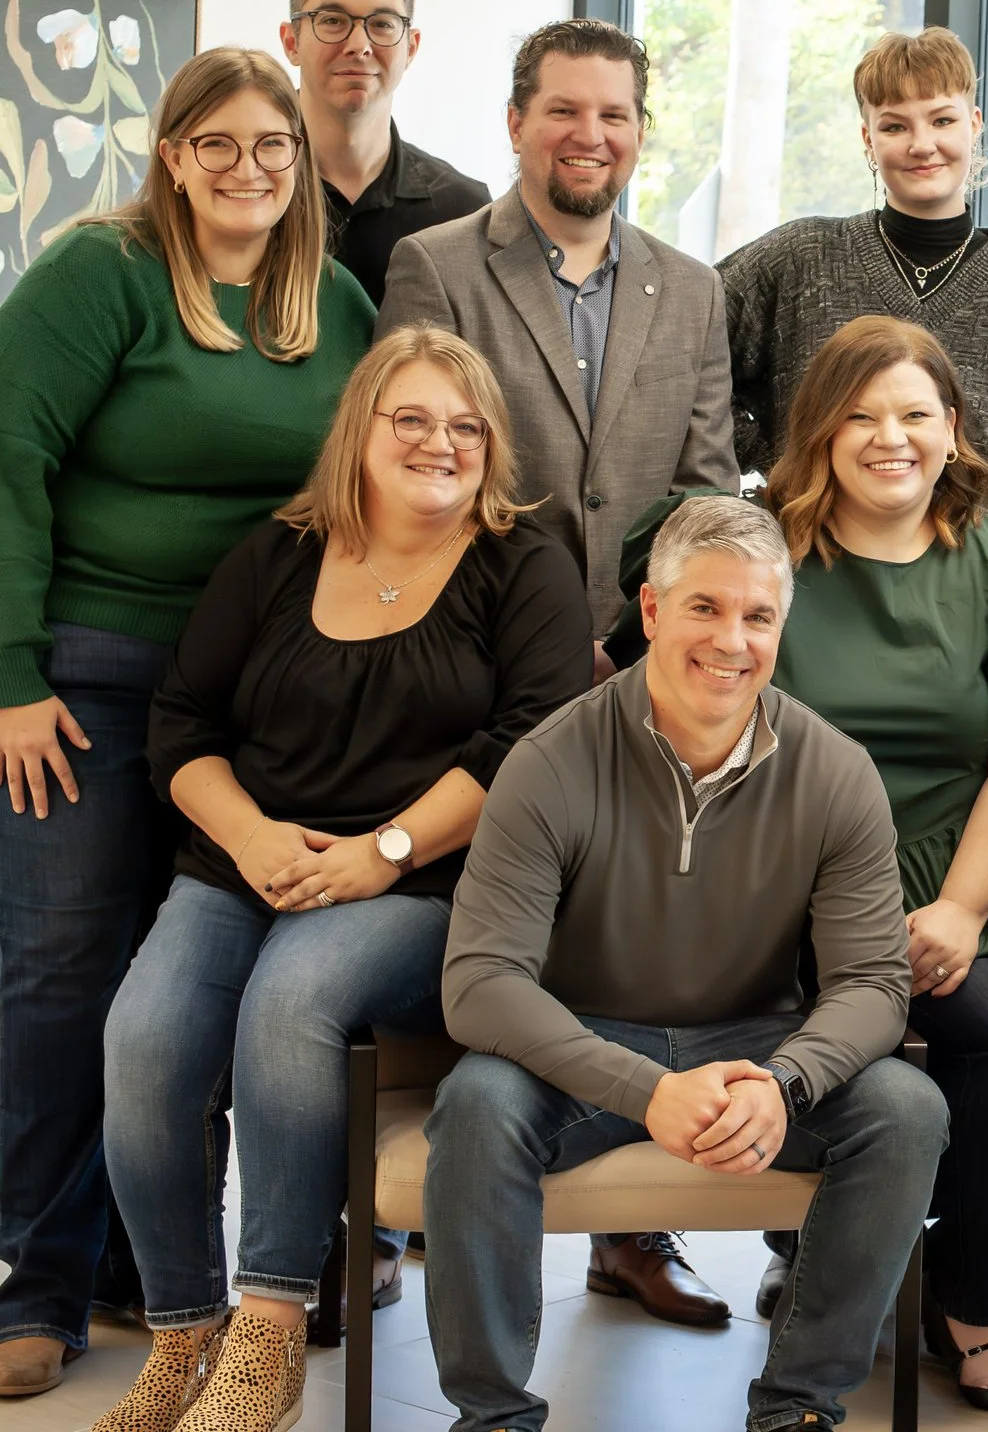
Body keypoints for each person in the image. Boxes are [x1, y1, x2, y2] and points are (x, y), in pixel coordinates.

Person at [0, 46, 374, 1400]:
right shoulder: (103, 274)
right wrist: (11, 676)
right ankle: (42, 1286)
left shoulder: (331, 301)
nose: (250, 168)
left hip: (236, 692)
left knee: (180, 978)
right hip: (65, 672)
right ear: (172, 155)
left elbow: (369, 481)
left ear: (300, 160)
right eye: (219, 144)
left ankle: (153, 1271)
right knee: (66, 966)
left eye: (273, 145)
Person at [89, 328, 591, 1432]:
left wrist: (385, 850)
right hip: (247, 863)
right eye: (411, 418)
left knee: (293, 997)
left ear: (491, 446)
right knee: (145, 1036)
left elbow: (532, 745)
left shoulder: (525, 562)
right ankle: (182, 1333)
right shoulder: (277, 555)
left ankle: (269, 1331)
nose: (439, 443)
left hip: (428, 883)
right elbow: (182, 723)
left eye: (465, 426)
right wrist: (251, 836)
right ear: (360, 430)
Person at [423, 494, 946, 1432]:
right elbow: (480, 984)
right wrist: (646, 1089)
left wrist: (786, 1082)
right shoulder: (550, 760)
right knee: (476, 1105)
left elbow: (873, 981)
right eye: (705, 607)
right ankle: (493, 1419)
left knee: (907, 1110)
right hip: (585, 1048)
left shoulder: (836, 771)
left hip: (757, 1048)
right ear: (653, 610)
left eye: (758, 616)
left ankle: (799, 1409)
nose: (731, 641)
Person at [761, 316, 988, 1413]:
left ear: (952, 427)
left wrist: (959, 908)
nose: (889, 438)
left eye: (915, 414)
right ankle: (961, 1304)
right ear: (819, 432)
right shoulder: (767, 549)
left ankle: (967, 1286)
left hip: (981, 852)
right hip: (814, 866)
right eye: (859, 415)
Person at [381, 17, 737, 642]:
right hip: (476, 636)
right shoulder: (436, 267)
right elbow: (410, 472)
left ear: (639, 132)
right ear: (516, 124)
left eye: (614, 115)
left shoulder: (694, 290)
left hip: (640, 650)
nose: (590, 135)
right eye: (564, 110)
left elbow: (703, 499)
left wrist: (627, 640)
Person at [722, 26, 988, 559]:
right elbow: (681, 348)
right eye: (895, 126)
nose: (922, 144)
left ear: (974, 125)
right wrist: (781, 462)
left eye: (942, 120)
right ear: (867, 138)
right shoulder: (799, 259)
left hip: (974, 590)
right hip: (810, 578)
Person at [281, 0, 490, 307]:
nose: (359, 45)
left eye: (382, 24)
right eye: (332, 21)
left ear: (411, 47)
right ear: (291, 42)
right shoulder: (247, 189)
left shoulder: (463, 211)